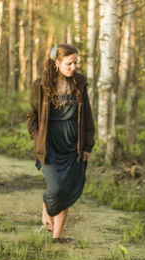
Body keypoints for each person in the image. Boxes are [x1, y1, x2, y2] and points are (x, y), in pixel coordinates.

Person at [26, 43, 95, 243]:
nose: (73, 67)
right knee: (55, 189)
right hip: (50, 147)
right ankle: (47, 205)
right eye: (69, 63)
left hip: (73, 146)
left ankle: (56, 238)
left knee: (67, 189)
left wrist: (88, 145)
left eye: (75, 63)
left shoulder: (80, 83)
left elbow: (87, 115)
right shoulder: (40, 85)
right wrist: (37, 138)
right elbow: (31, 117)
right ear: (57, 63)